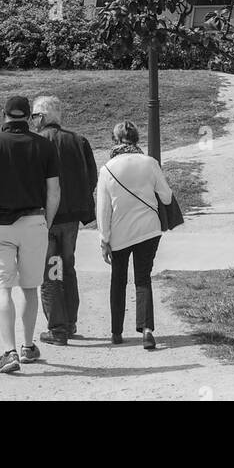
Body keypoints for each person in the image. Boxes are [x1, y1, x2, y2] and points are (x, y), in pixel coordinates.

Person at [0, 94, 61, 374]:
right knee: (29, 287)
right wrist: (46, 221)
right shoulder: (44, 145)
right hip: (35, 219)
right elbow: (54, 191)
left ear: (5, 115)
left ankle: (9, 351)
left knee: (2, 288)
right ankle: (27, 346)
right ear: (28, 116)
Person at [96, 119, 173, 351]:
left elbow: (103, 208)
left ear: (115, 140)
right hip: (148, 229)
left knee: (118, 280)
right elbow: (167, 197)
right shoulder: (149, 163)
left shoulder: (108, 168)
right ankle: (147, 330)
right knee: (143, 277)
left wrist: (104, 239)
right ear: (137, 139)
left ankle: (116, 331)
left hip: (119, 232)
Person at [31, 95, 97, 346]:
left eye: (35, 116)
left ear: (44, 117)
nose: (33, 121)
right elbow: (91, 177)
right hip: (71, 219)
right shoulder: (78, 140)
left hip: (47, 217)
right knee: (67, 267)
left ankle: (57, 328)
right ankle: (69, 322)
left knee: (51, 271)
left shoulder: (36, 143)